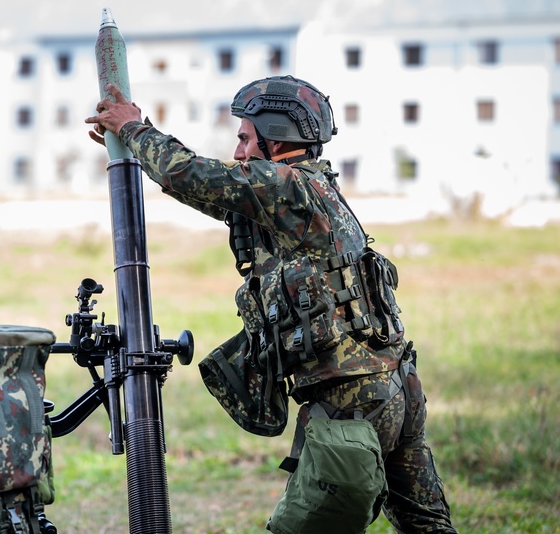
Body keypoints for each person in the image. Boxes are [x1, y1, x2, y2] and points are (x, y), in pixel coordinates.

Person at [86, 76, 457, 533]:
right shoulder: (305, 190)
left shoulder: (285, 187)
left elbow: (191, 173)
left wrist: (135, 130)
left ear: (276, 138)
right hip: (398, 391)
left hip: (351, 404)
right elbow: (203, 189)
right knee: (427, 526)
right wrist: (130, 141)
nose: (239, 151)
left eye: (244, 137)